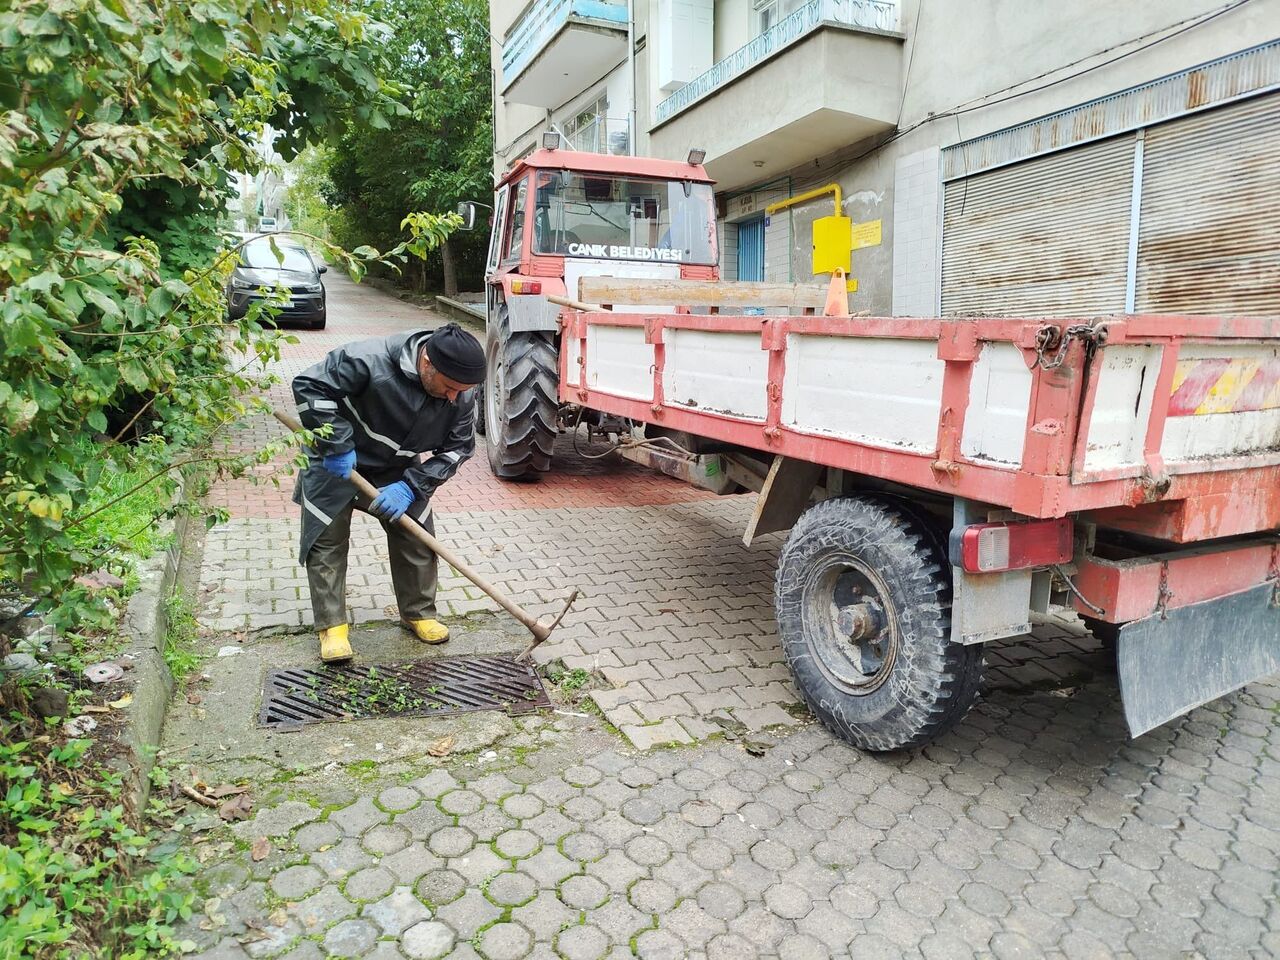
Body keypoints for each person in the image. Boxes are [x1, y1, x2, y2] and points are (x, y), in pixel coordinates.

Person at [291, 323, 484, 663]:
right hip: (336, 461)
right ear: (427, 364)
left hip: (398, 469)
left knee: (417, 536)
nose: (456, 397)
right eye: (451, 387)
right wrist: (335, 444)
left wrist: (413, 486)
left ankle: (418, 613)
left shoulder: (462, 393)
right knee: (326, 538)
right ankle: (332, 626)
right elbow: (309, 385)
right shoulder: (367, 360)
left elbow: (458, 449)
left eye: (464, 390)